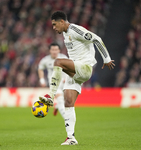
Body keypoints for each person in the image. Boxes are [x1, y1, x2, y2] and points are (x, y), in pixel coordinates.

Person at [39, 11, 115, 145]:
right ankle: (71, 138)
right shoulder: (64, 33)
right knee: (68, 102)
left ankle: (50, 96)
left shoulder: (75, 30)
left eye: (55, 24)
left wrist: (107, 59)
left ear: (62, 21)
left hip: (84, 67)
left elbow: (97, 39)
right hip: (75, 71)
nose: (53, 28)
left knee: (58, 62)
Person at [38, 43, 67, 118]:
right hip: (54, 84)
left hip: (65, 82)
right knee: (60, 99)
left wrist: (67, 78)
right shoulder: (46, 60)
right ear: (49, 51)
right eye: (53, 50)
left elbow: (71, 69)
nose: (54, 51)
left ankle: (57, 106)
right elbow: (40, 68)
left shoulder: (64, 58)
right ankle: (67, 119)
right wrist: (42, 80)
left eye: (56, 50)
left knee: (67, 101)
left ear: (59, 50)